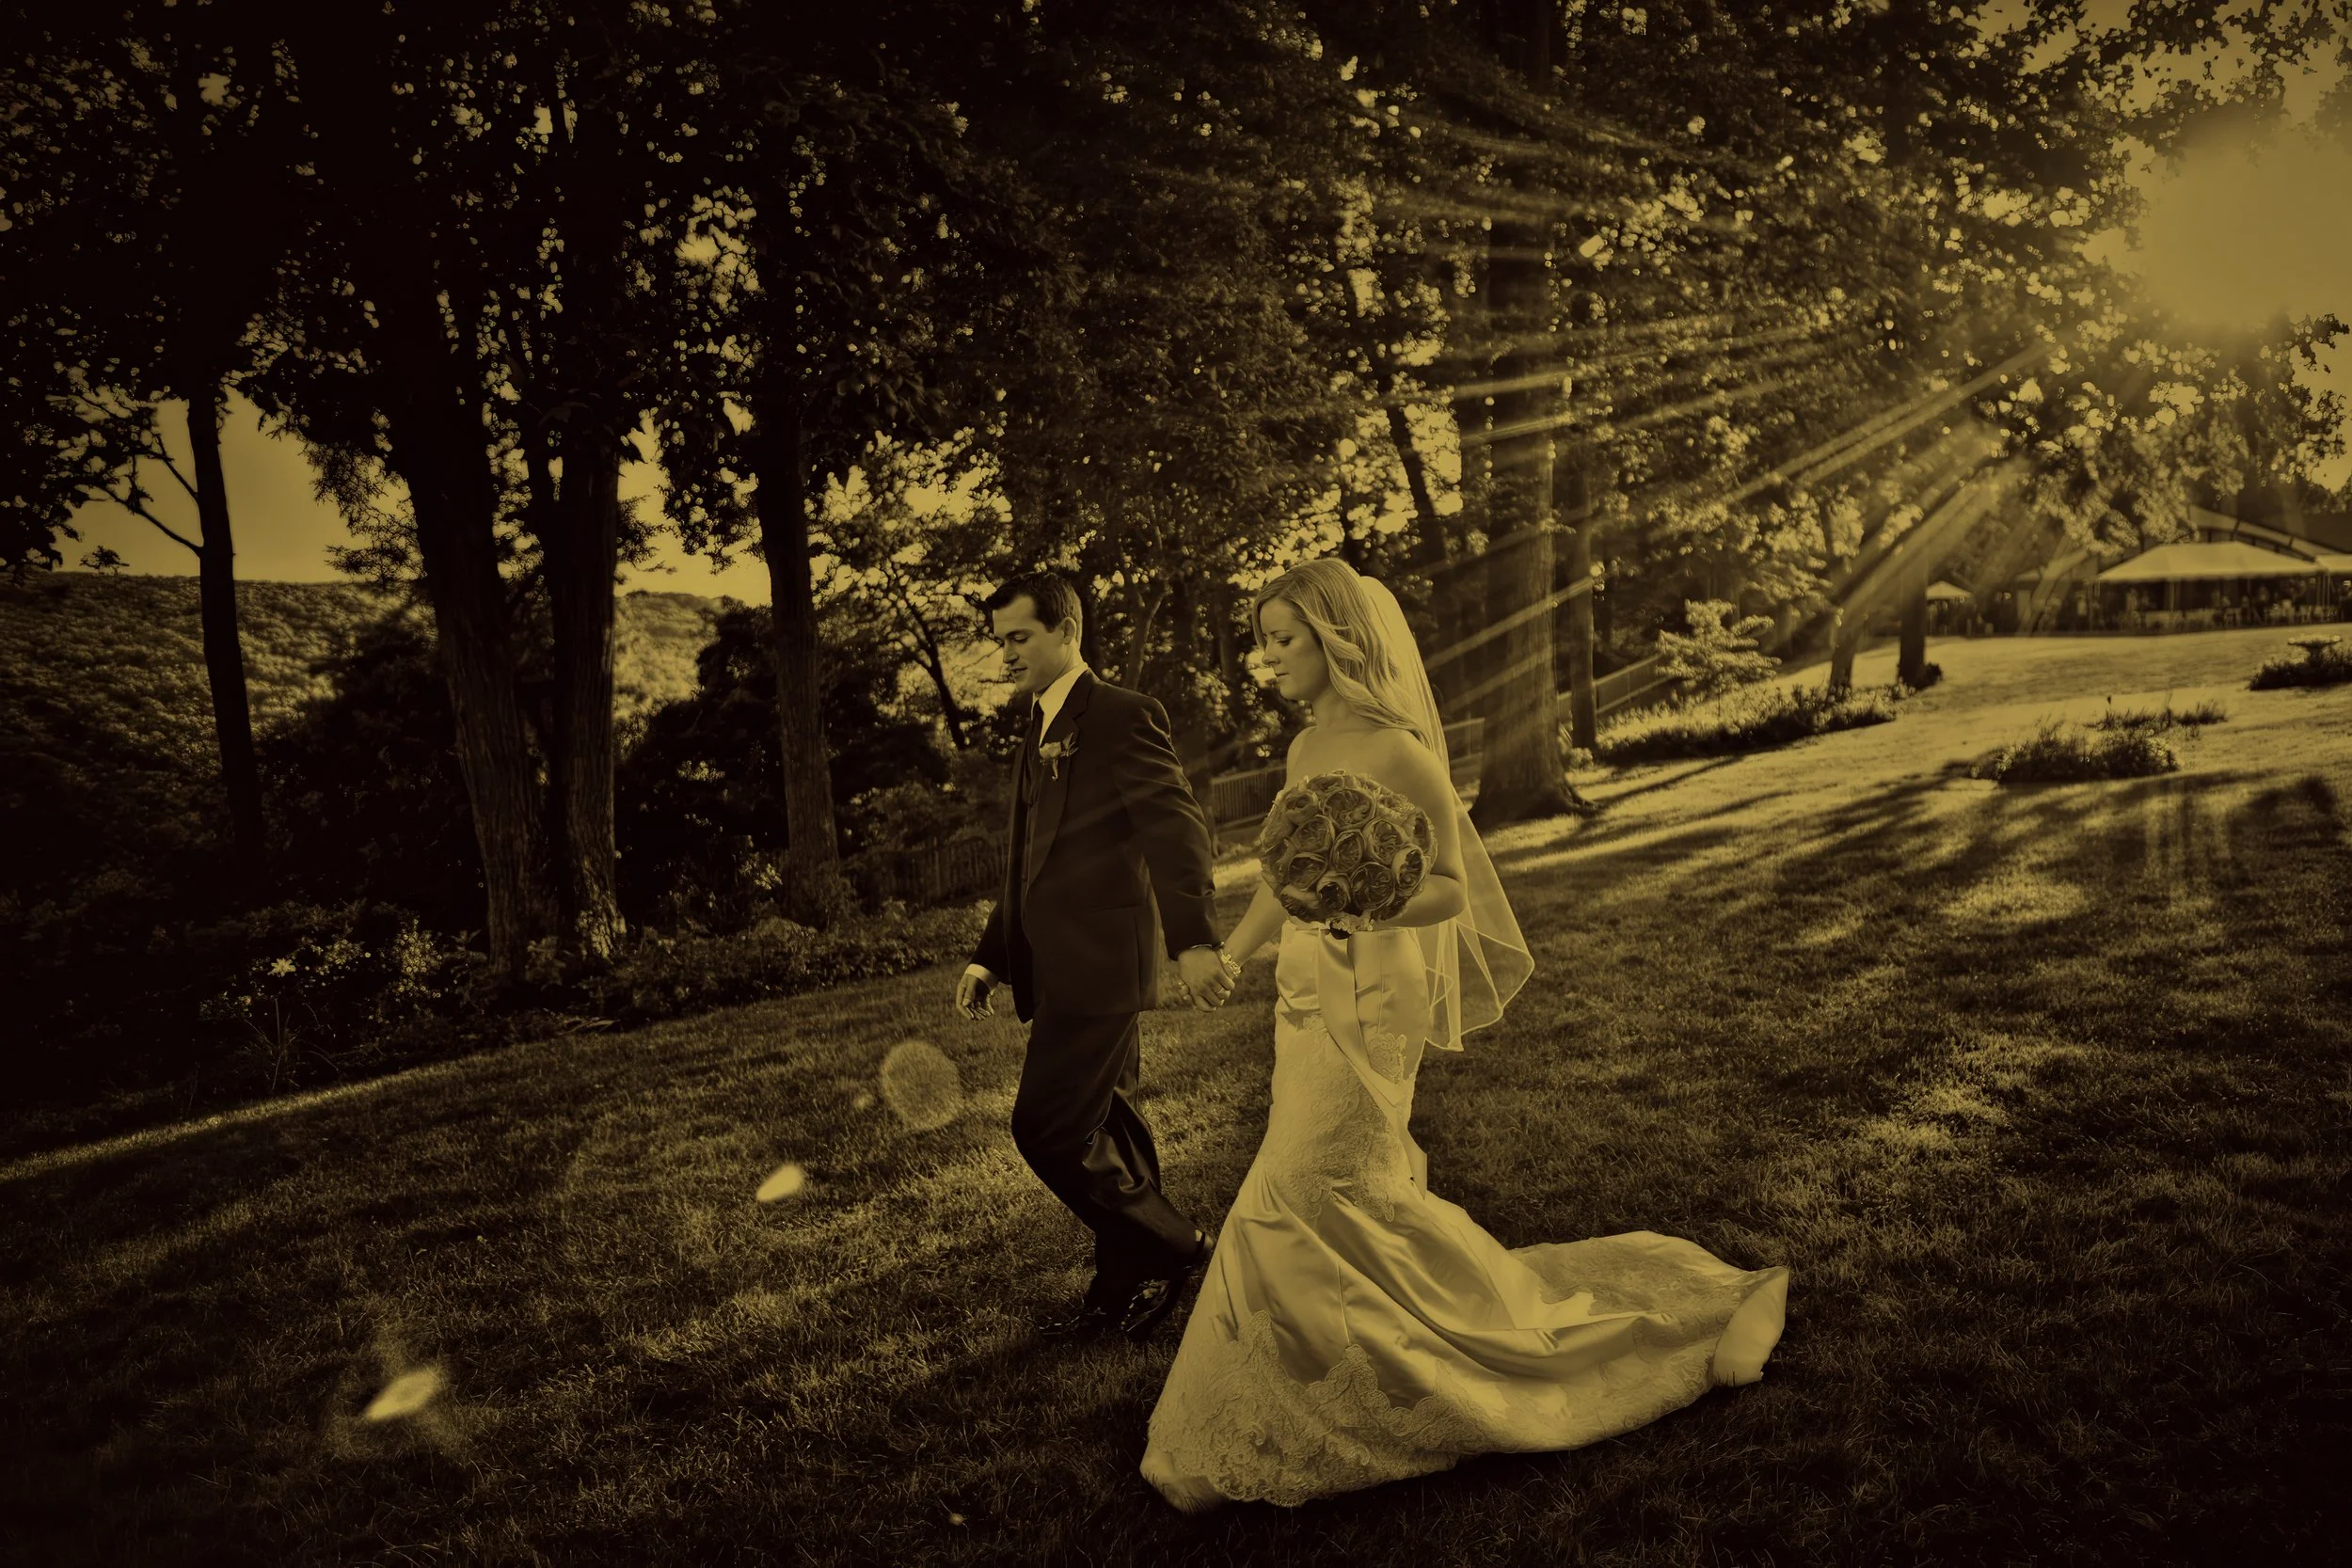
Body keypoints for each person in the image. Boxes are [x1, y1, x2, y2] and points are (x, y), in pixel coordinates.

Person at [1139, 559, 1788, 1512]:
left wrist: (1366, 909)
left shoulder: (1400, 751)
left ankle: (1367, 1387)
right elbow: (1286, 875)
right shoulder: (1303, 749)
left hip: (1374, 996)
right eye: (1264, 639)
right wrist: (1234, 951)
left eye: (1284, 638)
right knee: (1329, 1186)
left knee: (1306, 1182)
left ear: (1338, 639)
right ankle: (1327, 1377)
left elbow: (1449, 885)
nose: (1264, 657)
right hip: (1304, 995)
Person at [957, 572, 1237, 1343]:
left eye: (1020, 637)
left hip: (1103, 966)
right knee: (1101, 1120)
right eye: (1000, 639)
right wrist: (991, 959)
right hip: (1056, 968)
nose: (1005, 654)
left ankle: (1177, 1245)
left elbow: (1175, 829)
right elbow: (1024, 861)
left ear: (1066, 632)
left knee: (1045, 1127)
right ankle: (1121, 1272)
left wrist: (1194, 940)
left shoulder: (1119, 715)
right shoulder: (1036, 727)